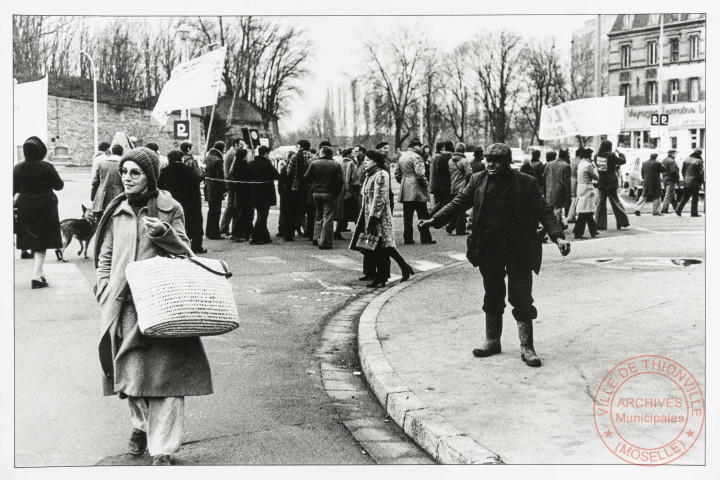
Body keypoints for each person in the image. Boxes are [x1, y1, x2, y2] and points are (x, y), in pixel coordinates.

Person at [94, 147, 212, 466]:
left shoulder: (169, 207)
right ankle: (141, 426)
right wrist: (103, 287)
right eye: (125, 172)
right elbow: (104, 256)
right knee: (132, 377)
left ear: (150, 176)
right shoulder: (116, 209)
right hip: (123, 305)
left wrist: (166, 235)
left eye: (136, 172)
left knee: (167, 380)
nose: (128, 178)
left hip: (161, 307)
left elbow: (186, 252)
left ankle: (162, 448)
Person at [418, 143, 569, 368]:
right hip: (489, 248)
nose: (491, 164)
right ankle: (492, 341)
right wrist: (434, 219)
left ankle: (527, 347)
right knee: (493, 294)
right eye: (488, 159)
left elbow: (543, 210)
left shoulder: (526, 183)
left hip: (519, 249)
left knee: (521, 296)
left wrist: (558, 236)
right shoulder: (478, 179)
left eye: (496, 161)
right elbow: (459, 202)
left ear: (508, 162)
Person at [351, 150, 414, 286]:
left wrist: (374, 217)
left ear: (375, 161)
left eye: (368, 160)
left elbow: (380, 197)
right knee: (383, 247)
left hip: (380, 218)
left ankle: (384, 276)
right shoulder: (370, 175)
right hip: (370, 217)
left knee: (382, 247)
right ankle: (401, 269)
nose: (365, 162)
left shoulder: (381, 174)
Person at [14, 136, 64, 288]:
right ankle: (37, 276)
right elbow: (59, 186)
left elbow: (12, 189)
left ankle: (39, 273)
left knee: (33, 240)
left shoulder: (18, 167)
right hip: (45, 206)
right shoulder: (47, 166)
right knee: (41, 242)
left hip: (25, 206)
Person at [157, 150, 206, 253]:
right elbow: (195, 187)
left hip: (171, 202)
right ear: (181, 159)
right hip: (189, 203)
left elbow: (160, 188)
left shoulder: (165, 171)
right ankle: (196, 247)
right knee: (192, 224)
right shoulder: (187, 170)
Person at [395, 138, 435, 245]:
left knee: (407, 216)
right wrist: (425, 184)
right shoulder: (417, 157)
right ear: (414, 146)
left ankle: (408, 238)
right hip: (417, 189)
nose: (421, 148)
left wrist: (404, 182)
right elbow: (420, 174)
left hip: (406, 189)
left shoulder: (402, 156)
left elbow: (397, 173)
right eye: (419, 146)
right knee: (423, 214)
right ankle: (426, 238)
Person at [304, 146, 344, 249]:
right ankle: (325, 242)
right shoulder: (336, 165)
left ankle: (316, 238)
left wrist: (312, 187)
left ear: (322, 153)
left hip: (316, 193)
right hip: (330, 194)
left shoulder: (314, 163)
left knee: (318, 216)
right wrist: (336, 192)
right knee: (328, 218)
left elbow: (306, 177)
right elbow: (340, 181)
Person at [245, 145, 279, 245]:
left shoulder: (251, 163)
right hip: (266, 192)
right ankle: (254, 237)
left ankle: (265, 236)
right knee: (263, 216)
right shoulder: (267, 164)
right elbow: (276, 175)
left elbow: (247, 176)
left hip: (254, 191)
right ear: (265, 154)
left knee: (261, 214)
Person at [594, 139, 630, 230]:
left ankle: (600, 224)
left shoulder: (596, 156)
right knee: (615, 202)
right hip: (611, 182)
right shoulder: (611, 155)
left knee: (601, 203)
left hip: (601, 181)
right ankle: (622, 221)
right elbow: (622, 161)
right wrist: (621, 153)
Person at [285, 140, 313, 241]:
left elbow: (289, 172)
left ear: (300, 146)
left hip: (296, 187)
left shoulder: (295, 156)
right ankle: (310, 233)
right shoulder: (313, 157)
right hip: (309, 188)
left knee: (293, 211)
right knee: (310, 211)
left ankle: (289, 234)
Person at [91, 144, 125, 222]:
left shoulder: (101, 163)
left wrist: (93, 197)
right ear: (122, 153)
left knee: (101, 223)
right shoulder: (124, 164)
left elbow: (95, 182)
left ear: (111, 151)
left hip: (102, 197)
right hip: (119, 196)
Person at [573, 148, 600, 239]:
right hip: (588, 188)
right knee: (585, 211)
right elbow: (596, 177)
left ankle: (593, 230)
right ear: (588, 156)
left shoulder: (581, 164)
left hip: (580, 187)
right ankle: (578, 232)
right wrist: (594, 166)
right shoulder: (588, 165)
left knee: (586, 211)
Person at [335, 148, 361, 240]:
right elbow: (354, 178)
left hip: (340, 189)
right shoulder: (352, 163)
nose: (354, 154)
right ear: (349, 154)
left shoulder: (339, 162)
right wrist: (357, 188)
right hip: (350, 189)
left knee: (341, 211)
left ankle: (337, 231)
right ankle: (359, 233)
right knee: (355, 211)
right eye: (353, 153)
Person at [429, 141, 454, 232]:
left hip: (437, 183)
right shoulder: (443, 157)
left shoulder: (436, 157)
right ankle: (431, 216)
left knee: (440, 202)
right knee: (443, 202)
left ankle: (434, 218)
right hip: (443, 183)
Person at [220, 138, 243, 236]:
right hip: (232, 182)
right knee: (231, 205)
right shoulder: (234, 153)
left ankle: (225, 227)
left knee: (231, 205)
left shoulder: (231, 152)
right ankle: (224, 227)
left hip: (229, 181)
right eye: (241, 144)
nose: (243, 146)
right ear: (236, 144)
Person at [543, 150, 571, 229]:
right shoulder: (566, 166)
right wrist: (568, 194)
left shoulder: (549, 164)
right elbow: (567, 181)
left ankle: (551, 226)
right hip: (560, 191)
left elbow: (544, 175)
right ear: (566, 156)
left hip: (549, 190)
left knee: (550, 210)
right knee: (558, 210)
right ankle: (556, 227)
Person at [229, 148, 253, 242]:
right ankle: (237, 232)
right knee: (245, 212)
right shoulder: (245, 165)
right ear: (244, 156)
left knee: (242, 211)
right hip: (246, 191)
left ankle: (247, 232)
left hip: (239, 190)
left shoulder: (236, 165)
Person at [203, 141, 226, 239]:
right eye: (224, 149)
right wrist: (224, 190)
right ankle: (215, 233)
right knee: (216, 211)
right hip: (216, 189)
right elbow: (220, 177)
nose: (224, 151)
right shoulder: (218, 160)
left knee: (211, 210)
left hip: (209, 187)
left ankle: (209, 232)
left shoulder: (208, 157)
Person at [448, 143, 471, 235]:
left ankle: (450, 225)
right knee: (462, 209)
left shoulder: (450, 161)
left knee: (455, 208)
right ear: (463, 150)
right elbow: (469, 174)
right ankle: (460, 230)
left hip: (453, 186)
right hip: (462, 187)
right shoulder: (464, 161)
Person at [676, 149, 704, 217]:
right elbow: (701, 173)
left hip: (687, 180)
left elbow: (683, 170)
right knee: (695, 197)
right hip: (695, 181)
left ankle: (678, 209)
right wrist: (701, 181)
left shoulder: (687, 159)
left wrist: (685, 177)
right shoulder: (699, 161)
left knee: (686, 196)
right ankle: (694, 213)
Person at [566, 147, 584, 223]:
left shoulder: (572, 161)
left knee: (573, 199)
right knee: (576, 200)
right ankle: (571, 216)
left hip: (571, 180)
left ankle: (571, 216)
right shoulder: (580, 162)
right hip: (577, 181)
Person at [660, 149, 680, 214]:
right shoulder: (671, 161)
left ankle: (676, 208)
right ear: (671, 154)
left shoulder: (664, 160)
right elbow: (674, 171)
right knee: (669, 194)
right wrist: (677, 179)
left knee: (671, 194)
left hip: (665, 179)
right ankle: (664, 209)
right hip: (671, 179)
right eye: (675, 153)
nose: (676, 155)